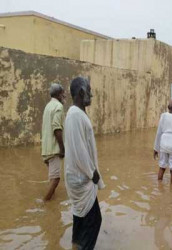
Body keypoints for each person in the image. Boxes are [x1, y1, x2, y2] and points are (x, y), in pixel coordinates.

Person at [64, 77, 105, 249]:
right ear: (81, 92)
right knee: (94, 221)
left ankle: (75, 246)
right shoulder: (74, 115)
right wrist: (93, 173)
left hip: (80, 177)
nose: (92, 94)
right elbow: (78, 150)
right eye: (89, 90)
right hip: (82, 178)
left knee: (80, 222)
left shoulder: (77, 114)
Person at [41, 83, 66, 201]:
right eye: (63, 93)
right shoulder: (58, 107)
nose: (64, 95)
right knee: (55, 180)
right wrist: (62, 148)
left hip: (46, 149)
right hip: (54, 149)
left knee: (52, 178)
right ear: (58, 94)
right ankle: (44, 204)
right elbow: (57, 128)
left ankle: (52, 207)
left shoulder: (48, 106)